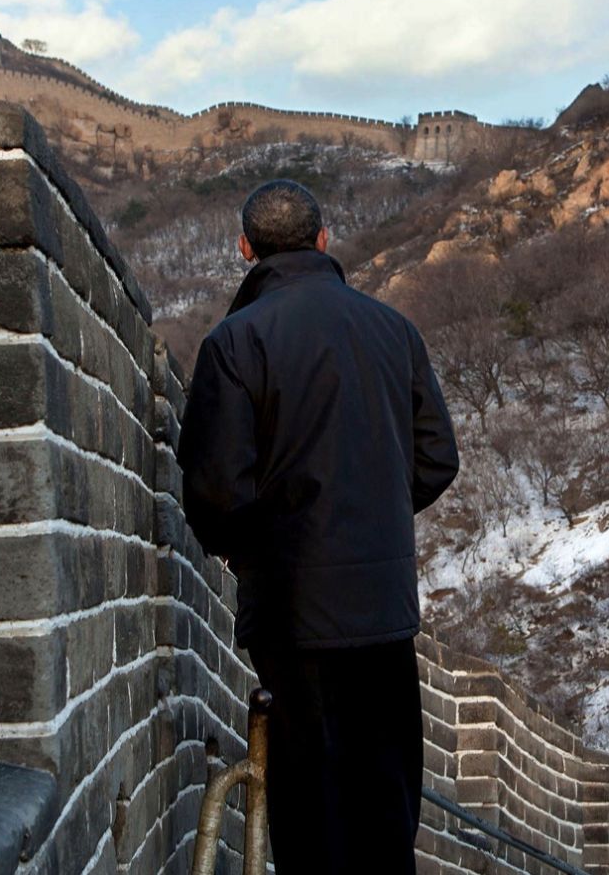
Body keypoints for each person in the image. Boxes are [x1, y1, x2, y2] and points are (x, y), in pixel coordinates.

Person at [178, 179, 460, 873]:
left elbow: (216, 495)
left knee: (312, 820)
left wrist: (263, 553)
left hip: (293, 616)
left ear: (245, 249)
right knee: (386, 812)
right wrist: (371, 524)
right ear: (325, 240)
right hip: (386, 610)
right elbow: (436, 460)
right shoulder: (394, 331)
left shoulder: (234, 344)